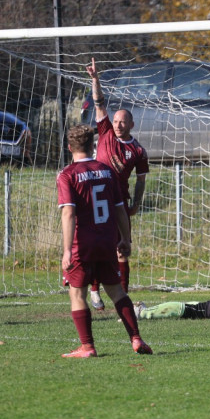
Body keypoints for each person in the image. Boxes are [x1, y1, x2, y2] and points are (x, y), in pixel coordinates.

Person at [57, 124, 151, 357]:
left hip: (82, 244)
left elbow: (68, 213)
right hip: (107, 241)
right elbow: (120, 209)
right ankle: (136, 339)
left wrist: (67, 251)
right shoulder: (107, 171)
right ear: (92, 146)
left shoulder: (67, 174)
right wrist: (126, 239)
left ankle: (87, 346)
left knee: (77, 294)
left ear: (69, 148)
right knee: (117, 292)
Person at [85, 58, 149, 310]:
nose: (118, 124)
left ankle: (123, 299)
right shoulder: (106, 134)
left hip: (120, 203)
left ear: (131, 124)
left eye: (123, 121)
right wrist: (95, 80)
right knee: (98, 248)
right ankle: (93, 291)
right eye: (116, 121)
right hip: (96, 201)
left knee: (123, 249)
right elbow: (99, 104)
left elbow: (141, 179)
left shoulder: (138, 150)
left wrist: (137, 204)